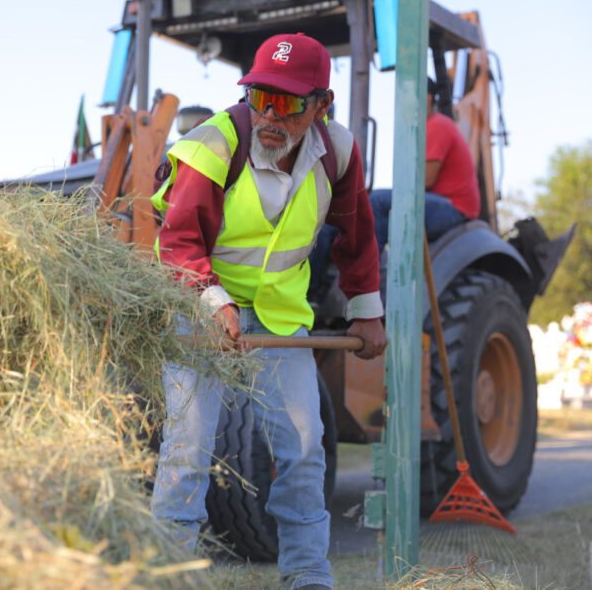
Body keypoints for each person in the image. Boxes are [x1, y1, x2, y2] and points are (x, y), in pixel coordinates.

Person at [149, 33, 386, 590]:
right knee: (187, 451)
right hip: (197, 303)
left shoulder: (341, 153)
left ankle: (308, 576)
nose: (270, 116)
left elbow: (358, 235)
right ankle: (166, 577)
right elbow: (179, 242)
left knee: (303, 450)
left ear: (321, 106)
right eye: (260, 99)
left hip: (280, 317)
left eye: (287, 103)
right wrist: (214, 301)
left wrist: (366, 311)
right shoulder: (214, 143)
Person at [368, 77, 480, 250]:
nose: (401, 102)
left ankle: (376, 267)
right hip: (444, 204)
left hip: (455, 210)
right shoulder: (431, 126)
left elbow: (426, 181)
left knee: (377, 200)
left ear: (427, 98)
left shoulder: (437, 126)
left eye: (406, 95)